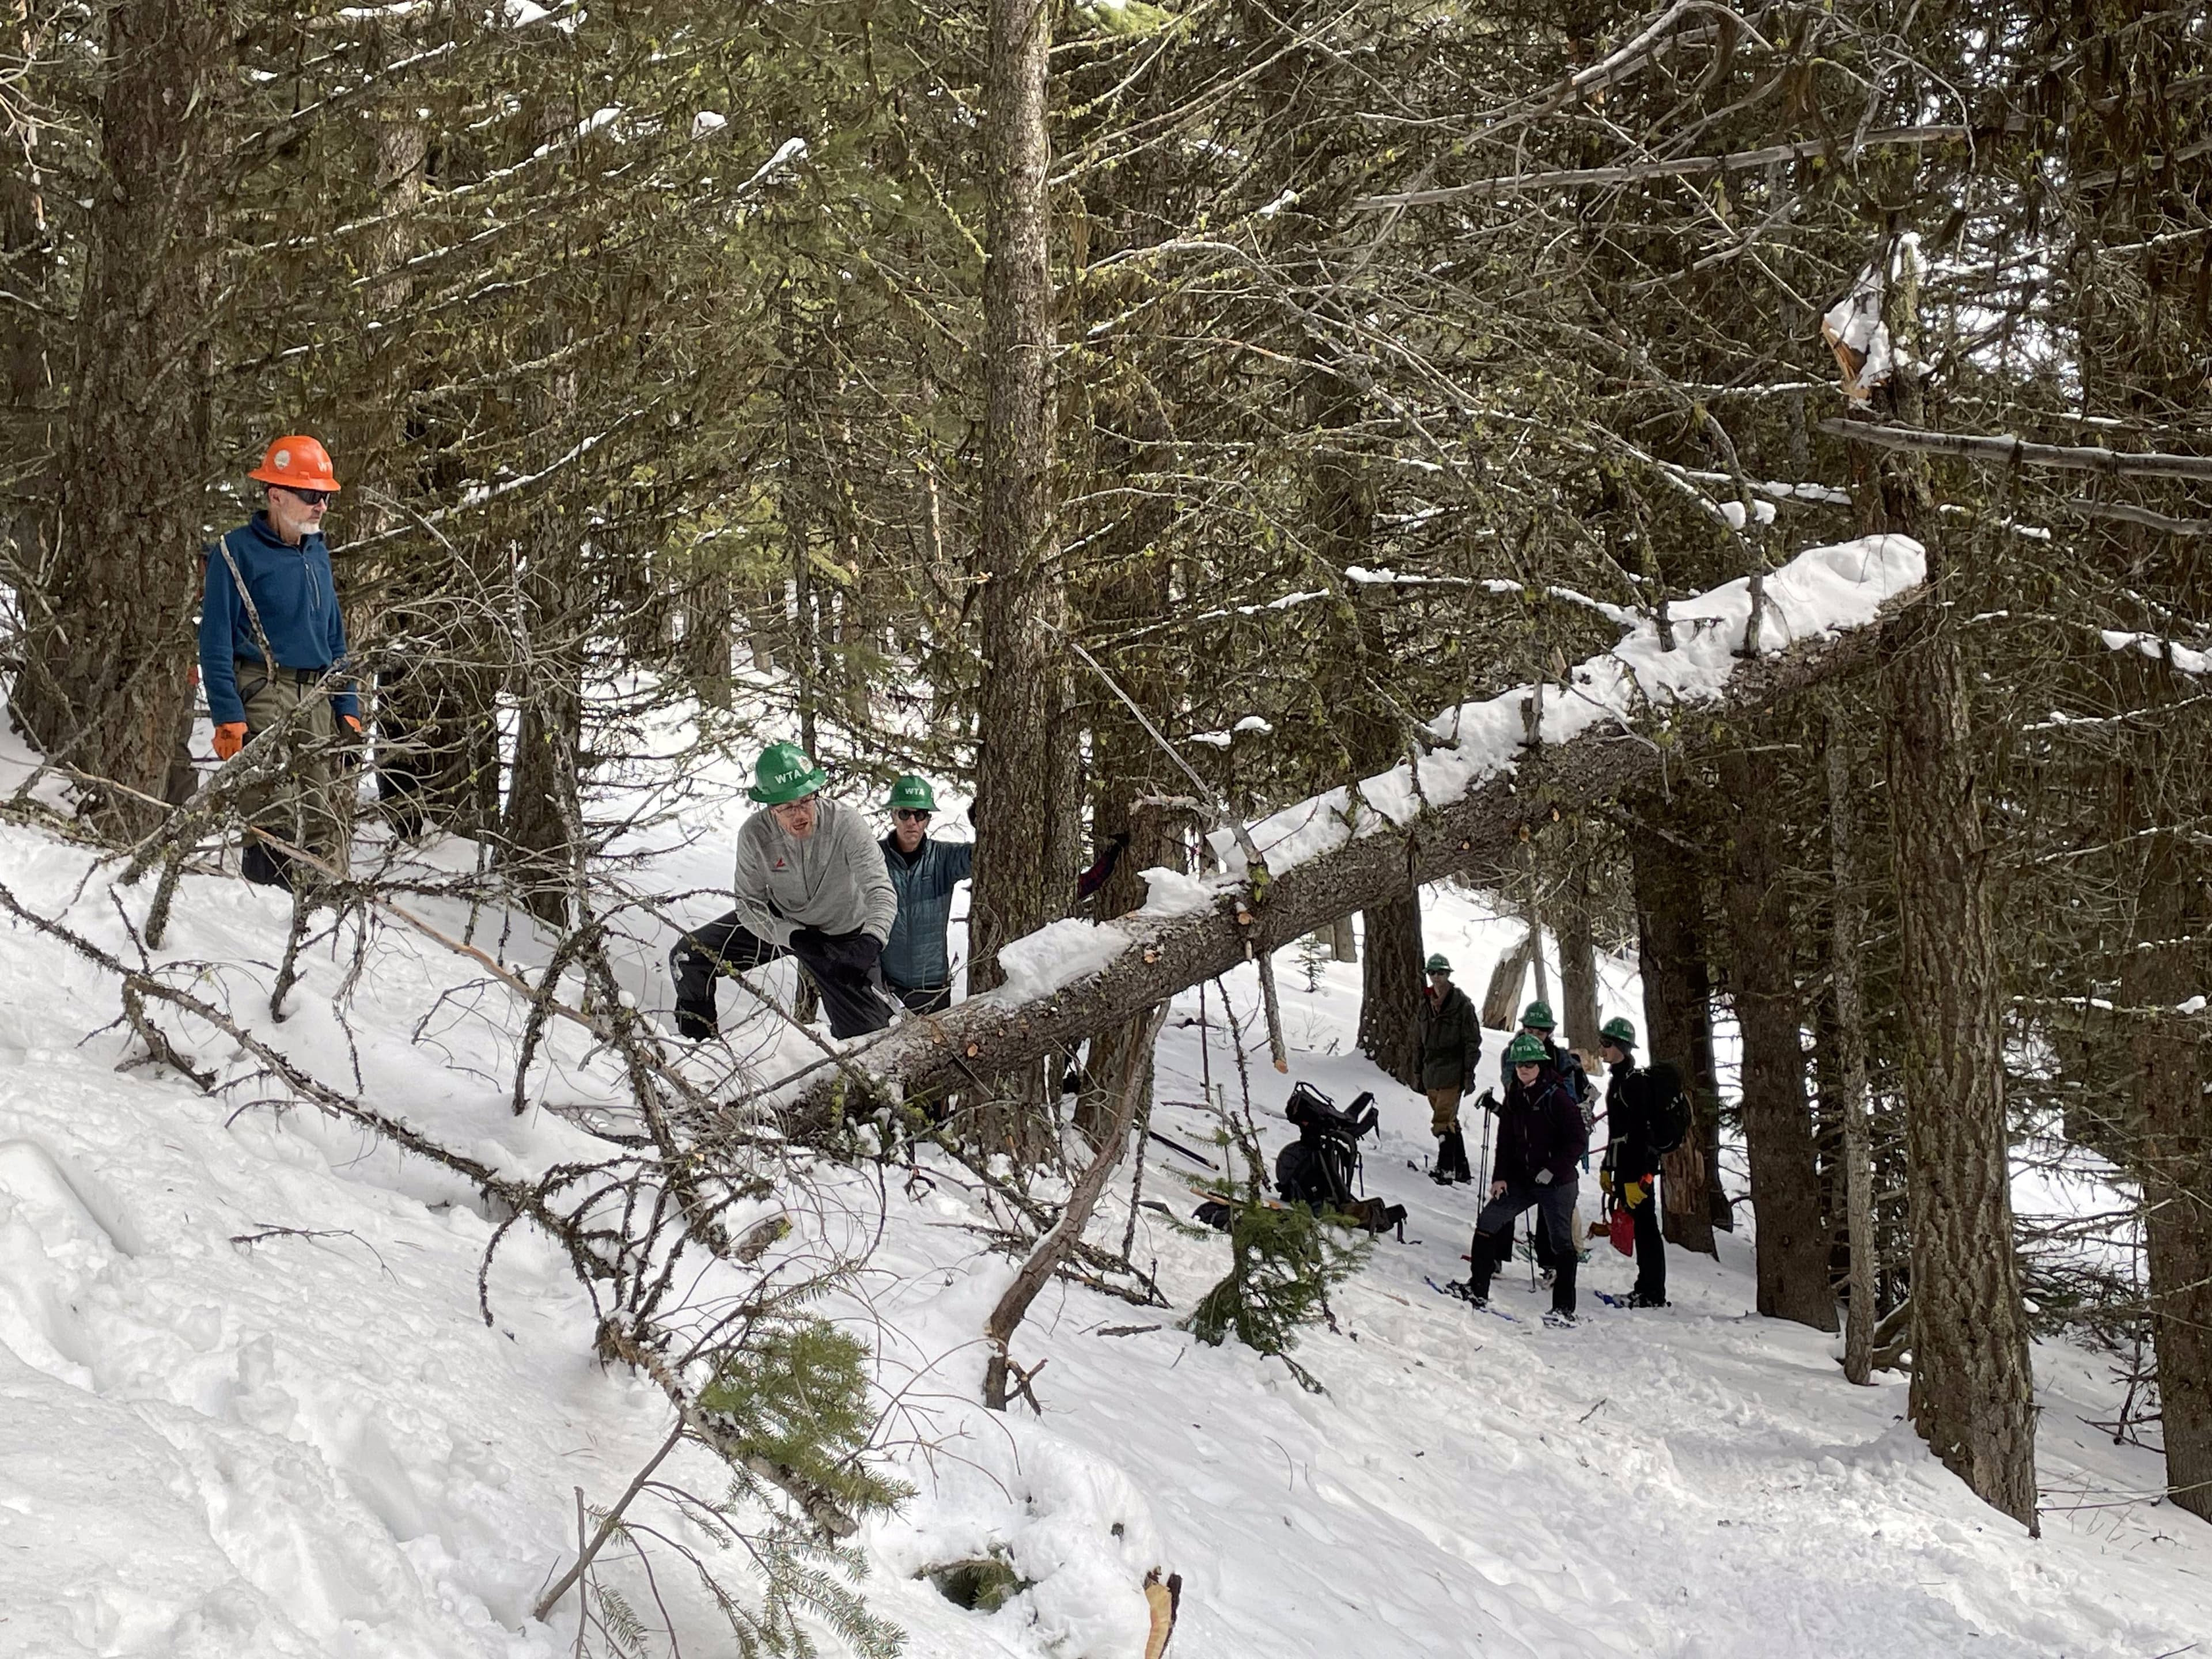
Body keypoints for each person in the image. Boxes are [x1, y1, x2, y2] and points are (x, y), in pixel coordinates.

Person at [198, 435, 361, 888]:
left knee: (319, 811)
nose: (321, 506)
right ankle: (263, 916)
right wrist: (229, 717)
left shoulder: (317, 552)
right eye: (311, 496)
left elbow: (335, 637)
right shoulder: (235, 553)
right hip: (263, 688)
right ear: (276, 495)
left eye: (325, 496)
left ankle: (306, 916)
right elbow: (213, 643)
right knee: (272, 810)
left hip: (316, 696)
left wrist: (348, 704)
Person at [670, 743, 897, 1041]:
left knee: (869, 1038)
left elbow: (881, 890)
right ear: (769, 806)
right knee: (689, 957)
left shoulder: (845, 823)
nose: (799, 814)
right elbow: (748, 906)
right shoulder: (755, 835)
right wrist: (792, 936)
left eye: (805, 801)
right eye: (786, 807)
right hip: (781, 920)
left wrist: (870, 942)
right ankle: (697, 1049)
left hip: (844, 933)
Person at [1448, 1032, 1588, 1326]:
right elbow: (1506, 1140)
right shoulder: (1514, 1093)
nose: (1524, 1068)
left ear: (1541, 1064)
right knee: (1488, 1222)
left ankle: (1564, 1310)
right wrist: (1500, 1177)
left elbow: (1577, 1140)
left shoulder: (1558, 1095)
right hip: (1524, 1179)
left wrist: (1553, 1169)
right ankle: (1478, 1289)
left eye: (1530, 1063)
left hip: (1558, 1182)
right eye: (1519, 1064)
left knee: (1561, 1243)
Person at [877, 774, 972, 1014]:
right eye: (905, 814)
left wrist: (987, 825)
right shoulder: (875, 857)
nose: (912, 822)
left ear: (928, 819)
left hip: (932, 988)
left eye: (920, 815)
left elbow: (983, 857)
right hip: (887, 986)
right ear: (893, 815)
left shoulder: (943, 858)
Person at [1599, 1016, 1668, 1307]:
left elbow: (1640, 1134)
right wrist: (1607, 1166)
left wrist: (1637, 1178)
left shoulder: (1634, 1083)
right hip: (1625, 1168)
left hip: (1638, 1171)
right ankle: (1646, 1288)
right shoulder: (1619, 1080)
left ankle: (1653, 1293)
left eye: (1607, 1044)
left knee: (1647, 1228)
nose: (1602, 1049)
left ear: (1622, 1048)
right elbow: (1618, 1133)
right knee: (1642, 1227)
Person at [1415, 953, 1478, 1184]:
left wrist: (1468, 1074)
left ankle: (1445, 1169)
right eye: (1432, 973)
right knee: (1449, 1120)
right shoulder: (1425, 1004)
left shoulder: (1463, 1006)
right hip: (1431, 1071)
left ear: (1448, 975)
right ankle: (1461, 1169)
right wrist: (1417, 1072)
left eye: (1441, 973)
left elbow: (1473, 1042)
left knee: (1442, 1119)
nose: (1436, 977)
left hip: (1453, 1070)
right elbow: (1418, 1043)